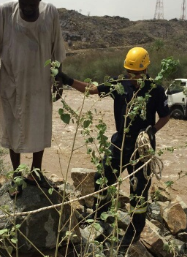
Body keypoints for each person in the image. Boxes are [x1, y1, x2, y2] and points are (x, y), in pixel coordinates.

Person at [57, 47, 170, 247]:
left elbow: (166, 115)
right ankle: (100, 216)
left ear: (145, 70)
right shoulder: (120, 84)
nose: (133, 77)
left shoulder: (155, 89)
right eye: (130, 72)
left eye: (137, 73)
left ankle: (134, 231)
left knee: (139, 191)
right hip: (120, 143)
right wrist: (66, 79)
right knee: (102, 179)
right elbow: (91, 90)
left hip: (141, 149)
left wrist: (152, 130)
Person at [0, 0, 66, 197]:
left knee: (40, 125)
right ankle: (17, 175)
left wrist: (58, 78)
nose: (28, 9)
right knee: (12, 125)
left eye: (33, 4)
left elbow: (57, 47)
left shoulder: (50, 14)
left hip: (40, 81)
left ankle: (35, 173)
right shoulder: (3, 13)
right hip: (12, 80)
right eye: (24, 3)